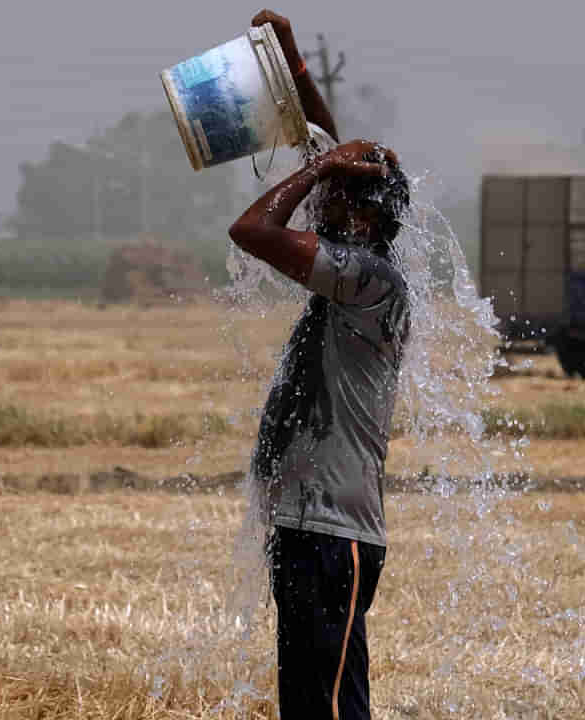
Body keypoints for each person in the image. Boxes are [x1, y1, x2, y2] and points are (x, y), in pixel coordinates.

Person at [228, 10, 412, 720]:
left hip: (337, 538)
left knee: (333, 711)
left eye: (335, 196)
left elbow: (251, 231)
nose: (321, 204)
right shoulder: (360, 270)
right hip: (310, 530)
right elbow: (334, 147)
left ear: (363, 221)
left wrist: (316, 168)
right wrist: (294, 63)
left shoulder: (369, 281)